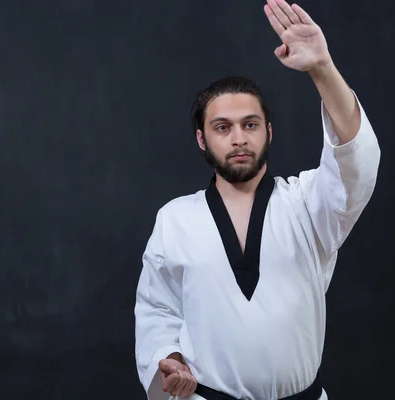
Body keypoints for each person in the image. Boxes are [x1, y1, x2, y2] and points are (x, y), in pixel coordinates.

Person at [133, 0, 381, 399]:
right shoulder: (175, 218)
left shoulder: (307, 204)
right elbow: (158, 310)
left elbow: (356, 163)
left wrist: (322, 68)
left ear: (268, 131)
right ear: (202, 139)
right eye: (222, 127)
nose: (238, 138)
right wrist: (171, 358)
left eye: (250, 125)